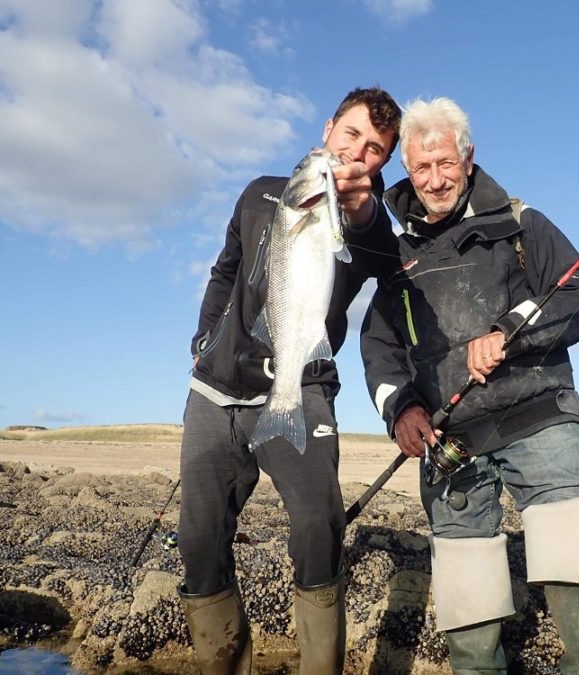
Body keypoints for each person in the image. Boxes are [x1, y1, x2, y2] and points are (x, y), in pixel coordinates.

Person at [360, 97, 579, 674]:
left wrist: (509, 330)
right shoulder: (397, 256)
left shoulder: (524, 224)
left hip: (540, 417)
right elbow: (379, 348)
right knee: (468, 594)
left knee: (577, 564)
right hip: (450, 441)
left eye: (445, 163)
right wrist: (402, 409)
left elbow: (576, 293)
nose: (434, 180)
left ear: (468, 156)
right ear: (407, 169)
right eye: (421, 168)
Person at [178, 86, 401, 675]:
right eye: (351, 135)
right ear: (328, 129)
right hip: (215, 389)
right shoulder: (260, 194)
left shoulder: (363, 221)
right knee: (199, 542)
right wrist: (204, 342)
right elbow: (224, 272)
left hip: (301, 384)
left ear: (382, 163)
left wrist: (358, 210)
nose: (359, 152)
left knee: (317, 524)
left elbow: (386, 256)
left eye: (376, 149)